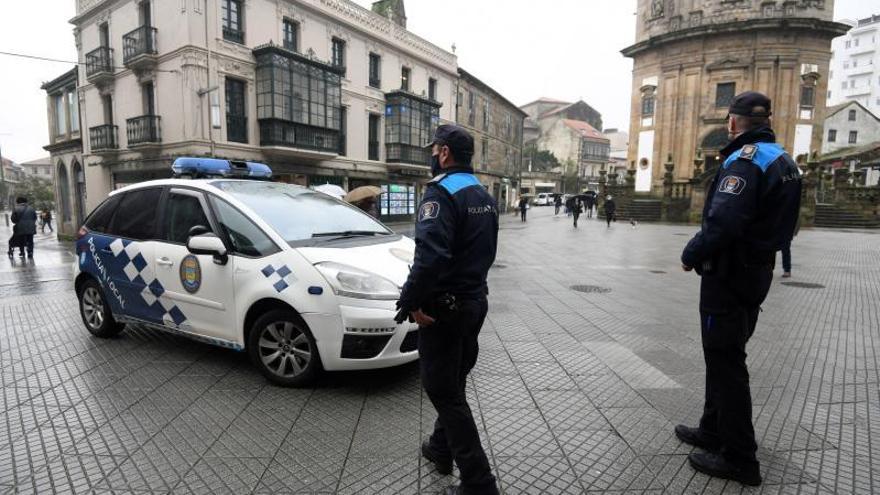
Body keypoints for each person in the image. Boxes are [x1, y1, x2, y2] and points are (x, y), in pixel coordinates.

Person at [679, 91, 801, 487]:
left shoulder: (744, 162)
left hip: (728, 277)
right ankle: (712, 430)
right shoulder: (784, 160)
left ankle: (740, 458)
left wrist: (691, 252)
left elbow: (724, 223)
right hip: (756, 272)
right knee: (724, 356)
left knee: (727, 363)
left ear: (733, 122)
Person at [395, 124, 500, 495]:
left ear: (443, 153)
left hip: (444, 310)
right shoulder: (484, 195)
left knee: (444, 391)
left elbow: (430, 258)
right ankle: (440, 448)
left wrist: (409, 301)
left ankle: (479, 482)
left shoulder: (439, 194)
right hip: (474, 304)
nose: (432, 154)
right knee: (453, 381)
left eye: (434, 149)